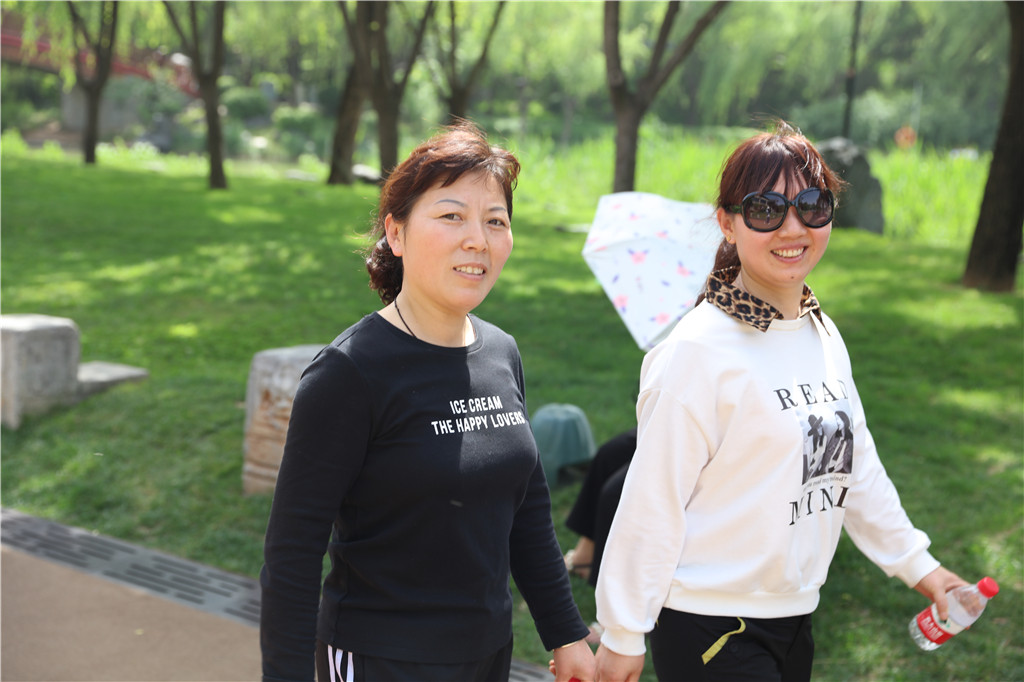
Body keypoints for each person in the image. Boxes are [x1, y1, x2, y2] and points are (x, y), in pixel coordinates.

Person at [592, 121, 968, 682]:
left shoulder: (821, 333)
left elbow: (854, 467)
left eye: (813, 206)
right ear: (727, 222)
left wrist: (922, 567)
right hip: (710, 623)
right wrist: (623, 633)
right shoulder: (697, 351)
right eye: (766, 210)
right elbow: (652, 501)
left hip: (793, 616)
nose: (793, 227)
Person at [260, 122, 595, 682]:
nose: (478, 240)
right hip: (380, 658)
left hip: (487, 653)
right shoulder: (350, 372)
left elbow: (527, 510)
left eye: (495, 221)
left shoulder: (501, 352)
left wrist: (566, 633)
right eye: (451, 216)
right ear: (396, 233)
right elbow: (292, 556)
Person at [563, 428, 637, 587]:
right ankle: (585, 554)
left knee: (614, 494)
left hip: (686, 436)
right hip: (665, 423)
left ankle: (605, 584)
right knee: (609, 455)